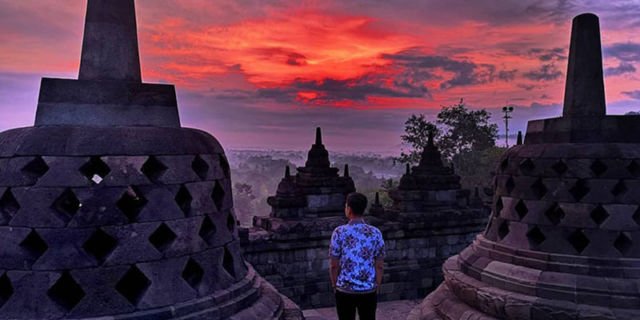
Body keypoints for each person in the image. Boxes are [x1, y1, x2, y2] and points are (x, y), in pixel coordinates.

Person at [329, 192, 385, 320]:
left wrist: (334, 285)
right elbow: (380, 265)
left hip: (344, 289)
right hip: (368, 289)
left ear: (348, 209)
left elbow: (333, 265)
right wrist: (377, 285)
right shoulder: (375, 233)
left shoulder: (339, 232)